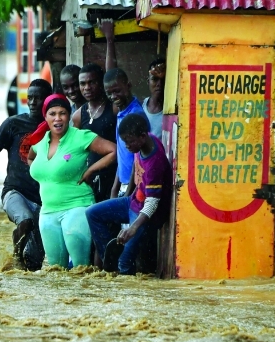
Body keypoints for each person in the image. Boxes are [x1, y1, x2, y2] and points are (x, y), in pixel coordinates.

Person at [26, 94, 117, 269]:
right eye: (52, 114)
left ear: (69, 115)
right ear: (45, 117)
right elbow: (30, 158)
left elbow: (113, 150)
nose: (58, 118)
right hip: (47, 213)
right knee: (55, 271)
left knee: (80, 269)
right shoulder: (40, 141)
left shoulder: (80, 136)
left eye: (63, 113)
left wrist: (91, 169)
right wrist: (46, 175)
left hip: (76, 207)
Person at [0, 79, 53, 270]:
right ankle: (15, 257)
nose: (33, 102)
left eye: (38, 98)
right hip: (15, 192)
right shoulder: (13, 124)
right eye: (30, 97)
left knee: (34, 265)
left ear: (48, 100)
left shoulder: (55, 127)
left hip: (44, 200)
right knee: (25, 221)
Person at [87, 113, 172, 275]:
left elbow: (152, 203)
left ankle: (125, 282)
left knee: (125, 262)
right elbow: (136, 163)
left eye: (130, 141)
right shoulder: (143, 142)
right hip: (132, 202)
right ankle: (110, 261)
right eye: (125, 142)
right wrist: (128, 193)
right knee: (92, 213)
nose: (127, 146)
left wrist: (133, 228)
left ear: (142, 136)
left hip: (145, 215)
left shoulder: (155, 162)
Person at [72, 64, 117, 204]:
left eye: (91, 82)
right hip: (91, 179)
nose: (86, 87)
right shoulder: (78, 116)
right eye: (82, 83)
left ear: (101, 82)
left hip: (115, 175)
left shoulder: (114, 108)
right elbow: (77, 150)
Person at [104, 68, 149, 198]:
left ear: (128, 85)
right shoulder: (121, 113)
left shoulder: (135, 114)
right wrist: (114, 189)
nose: (113, 96)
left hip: (135, 187)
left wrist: (128, 194)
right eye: (109, 93)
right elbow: (122, 154)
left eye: (117, 91)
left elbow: (139, 156)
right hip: (124, 186)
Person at [143, 58, 166, 140]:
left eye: (164, 80)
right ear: (148, 81)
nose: (159, 84)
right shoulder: (141, 107)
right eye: (155, 79)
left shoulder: (172, 110)